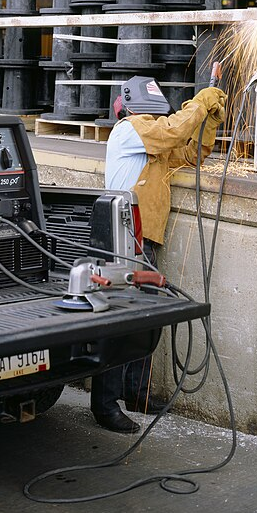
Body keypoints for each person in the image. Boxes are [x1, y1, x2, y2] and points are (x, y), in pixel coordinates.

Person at [91, 78, 227, 433]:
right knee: (118, 322)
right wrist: (200, 102)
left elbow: (191, 153)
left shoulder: (153, 139)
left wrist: (209, 120)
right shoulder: (129, 130)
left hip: (144, 240)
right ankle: (105, 406)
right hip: (120, 238)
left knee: (145, 319)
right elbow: (170, 132)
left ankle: (138, 393)